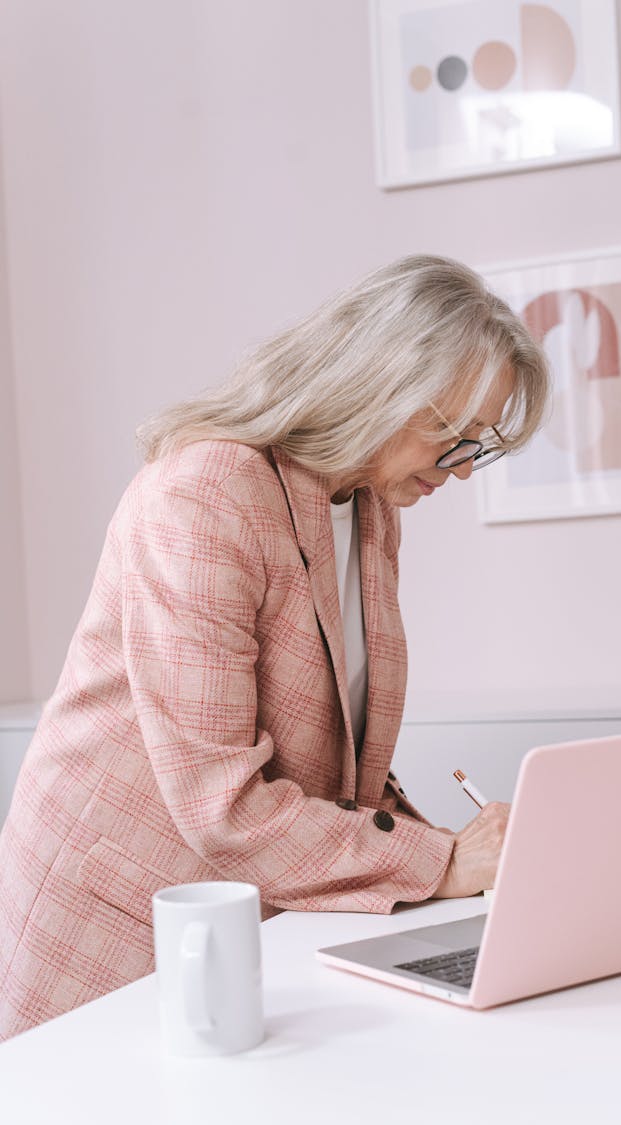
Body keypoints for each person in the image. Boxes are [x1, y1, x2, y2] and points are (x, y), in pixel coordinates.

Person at [0, 254, 549, 1038]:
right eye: (449, 433)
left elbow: (337, 767)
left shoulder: (368, 504)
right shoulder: (205, 492)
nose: (460, 467)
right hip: (119, 916)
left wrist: (464, 857)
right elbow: (222, 803)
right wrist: (445, 863)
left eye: (478, 443)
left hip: (247, 913)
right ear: (377, 382)